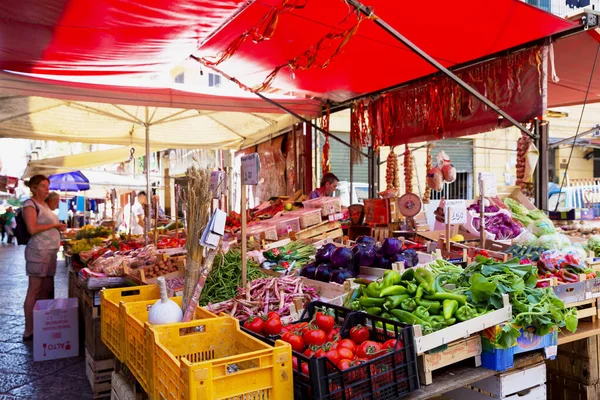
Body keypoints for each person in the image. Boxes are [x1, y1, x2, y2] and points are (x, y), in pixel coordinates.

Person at [22, 175, 67, 341]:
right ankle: (29, 329)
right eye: (42, 186)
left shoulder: (44, 205)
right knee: (34, 290)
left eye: (47, 186)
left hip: (50, 252)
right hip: (38, 252)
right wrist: (55, 225)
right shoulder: (30, 204)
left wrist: (59, 227)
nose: (46, 189)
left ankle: (42, 325)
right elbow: (32, 229)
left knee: (46, 289)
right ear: (34, 187)